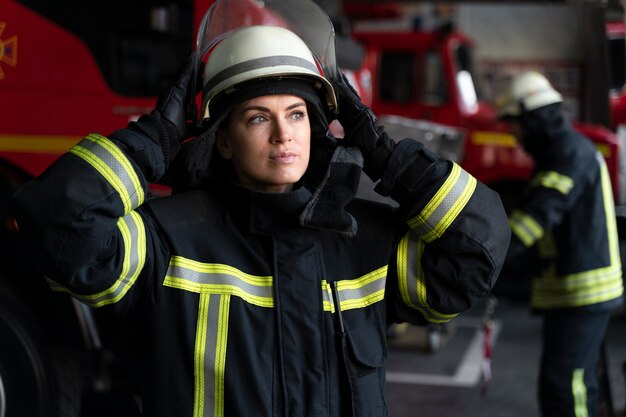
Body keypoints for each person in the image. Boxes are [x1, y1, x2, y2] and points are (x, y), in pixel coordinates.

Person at [11, 10, 510, 417]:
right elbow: (56, 228)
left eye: (296, 114)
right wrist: (151, 141)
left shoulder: (364, 243)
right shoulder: (170, 241)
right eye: (257, 118)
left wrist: (383, 151)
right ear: (223, 140)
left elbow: (478, 251)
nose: (283, 135)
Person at [495, 70, 624, 417]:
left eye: (515, 124)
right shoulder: (566, 151)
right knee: (577, 383)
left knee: (565, 390)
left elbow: (531, 223)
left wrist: (482, 259)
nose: (514, 135)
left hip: (582, 294)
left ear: (533, 118)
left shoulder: (567, 155)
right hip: (576, 294)